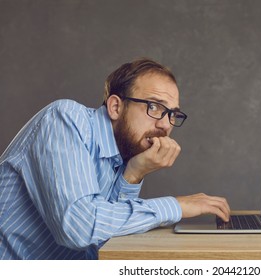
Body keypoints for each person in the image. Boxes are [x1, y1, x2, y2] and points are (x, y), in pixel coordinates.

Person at [0, 58, 230, 259]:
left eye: (172, 114)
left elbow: (103, 243)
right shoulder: (65, 119)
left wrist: (134, 174)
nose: (165, 124)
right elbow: (80, 230)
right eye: (154, 106)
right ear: (115, 106)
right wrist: (176, 206)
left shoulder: (123, 154)